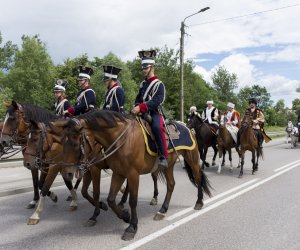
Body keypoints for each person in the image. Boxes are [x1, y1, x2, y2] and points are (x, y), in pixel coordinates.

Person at [131, 49, 168, 169]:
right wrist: (136, 106)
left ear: (152, 67)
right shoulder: (143, 84)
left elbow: (158, 101)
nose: (143, 70)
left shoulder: (159, 84)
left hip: (154, 113)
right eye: (142, 68)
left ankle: (163, 156)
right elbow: (138, 98)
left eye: (145, 68)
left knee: (157, 127)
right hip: (141, 113)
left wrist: (141, 107)